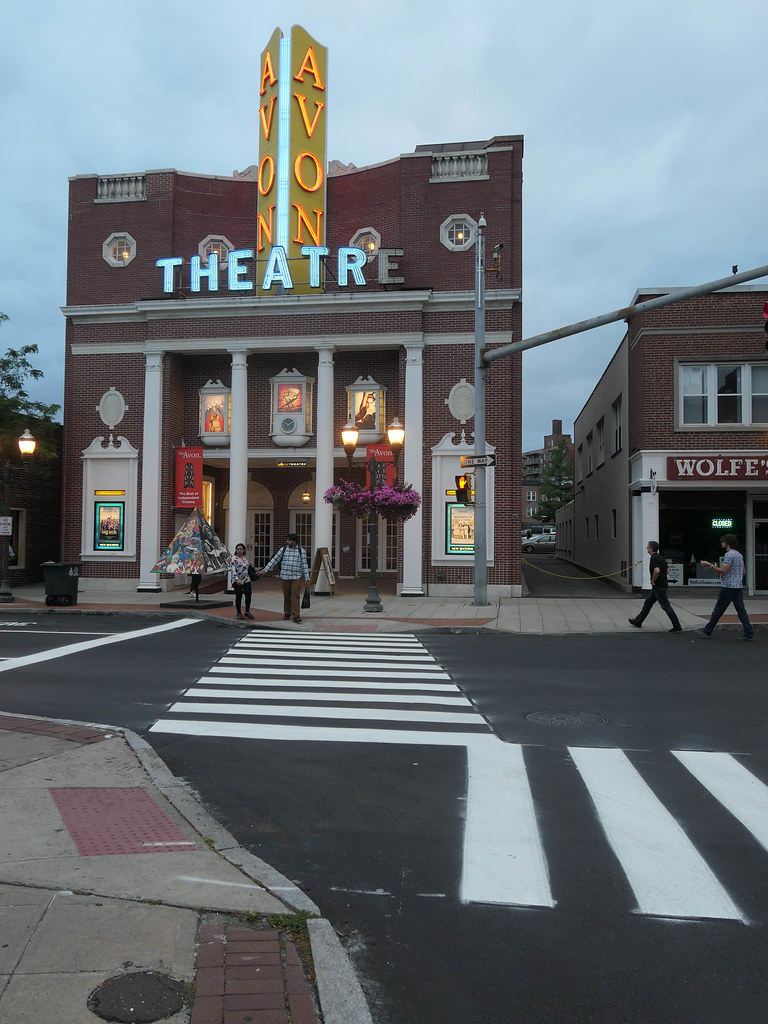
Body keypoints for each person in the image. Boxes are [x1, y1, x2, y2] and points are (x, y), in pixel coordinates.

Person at [696, 534, 754, 640]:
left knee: (718, 610)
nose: (721, 543)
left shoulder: (729, 555)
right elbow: (743, 572)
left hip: (728, 586)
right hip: (738, 586)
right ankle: (749, 634)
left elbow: (723, 571)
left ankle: (707, 631)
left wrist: (710, 565)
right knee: (741, 611)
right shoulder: (739, 555)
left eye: (722, 542)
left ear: (727, 543)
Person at [628, 541, 683, 633]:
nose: (646, 548)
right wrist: (662, 577)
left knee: (666, 606)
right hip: (661, 585)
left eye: (648, 546)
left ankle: (677, 626)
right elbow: (667, 571)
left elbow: (657, 571)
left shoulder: (654, 558)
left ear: (651, 548)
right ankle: (638, 621)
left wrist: (653, 581)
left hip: (658, 586)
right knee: (648, 603)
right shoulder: (661, 558)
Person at [258, 533, 310, 623]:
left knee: (295, 595)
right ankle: (287, 613)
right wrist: (265, 570)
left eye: (289, 540)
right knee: (287, 596)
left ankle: (296, 615)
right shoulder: (283, 549)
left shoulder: (301, 551)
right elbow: (274, 560)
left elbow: (304, 565)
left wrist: (307, 578)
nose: (287, 541)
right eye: (287, 540)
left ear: (294, 541)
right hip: (285, 576)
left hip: (296, 576)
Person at [229, 543, 254, 620]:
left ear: (244, 550)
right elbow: (233, 570)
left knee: (248, 594)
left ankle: (247, 611)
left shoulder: (245, 559)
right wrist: (236, 579)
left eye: (241, 549)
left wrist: (250, 565)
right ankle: (239, 613)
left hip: (246, 579)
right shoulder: (233, 559)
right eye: (238, 549)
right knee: (239, 596)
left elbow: (246, 569)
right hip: (237, 580)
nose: (239, 550)